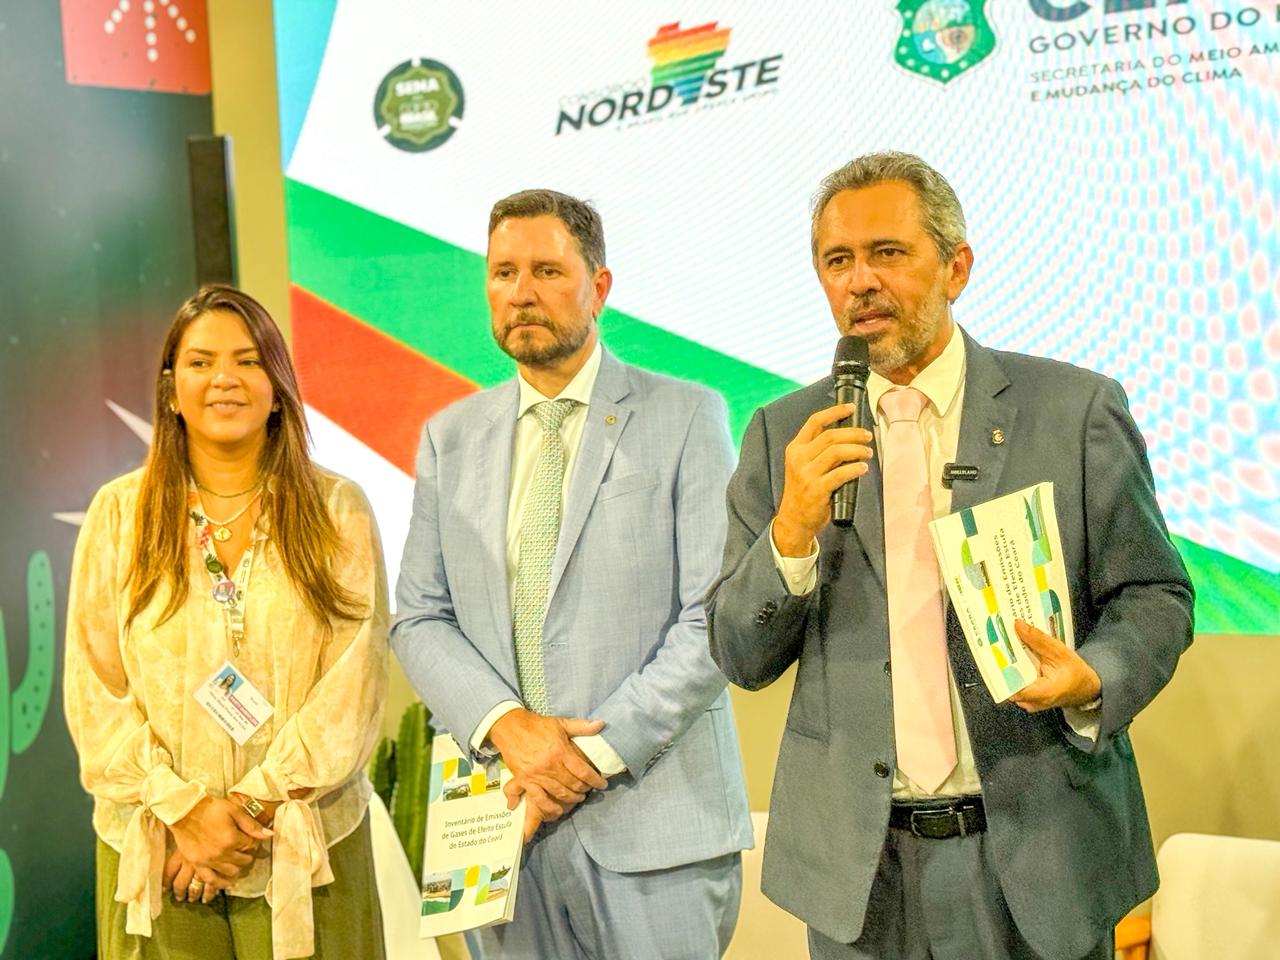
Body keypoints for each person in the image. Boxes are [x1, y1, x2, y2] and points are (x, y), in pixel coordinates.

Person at [706, 152, 1194, 960]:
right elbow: (740, 654)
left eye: (887, 253)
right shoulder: (780, 433)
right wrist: (790, 532)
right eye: (837, 261)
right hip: (859, 876)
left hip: (1038, 855)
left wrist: (1095, 676)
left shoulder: (1073, 409)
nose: (860, 281)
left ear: (956, 267)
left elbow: (1154, 593)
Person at [391, 189, 753, 959]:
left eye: (548, 271)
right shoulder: (450, 437)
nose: (521, 292)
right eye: (503, 273)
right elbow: (419, 616)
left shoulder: (687, 415)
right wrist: (509, 728)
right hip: (499, 823)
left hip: (651, 824)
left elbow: (712, 619)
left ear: (600, 286)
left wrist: (582, 756)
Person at [64, 285, 389, 960]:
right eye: (201, 362)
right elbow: (95, 694)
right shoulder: (119, 515)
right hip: (157, 849)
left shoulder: (338, 510)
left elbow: (352, 688)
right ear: (170, 389)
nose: (224, 380)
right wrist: (184, 813)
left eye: (247, 361)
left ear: (278, 386)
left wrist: (244, 814)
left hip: (306, 847)